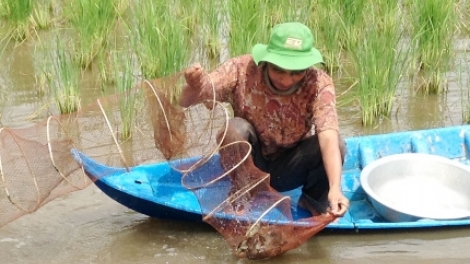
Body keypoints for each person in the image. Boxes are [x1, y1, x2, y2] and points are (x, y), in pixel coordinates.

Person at [179, 22, 349, 217]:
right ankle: (242, 194)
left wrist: (335, 188)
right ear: (267, 61)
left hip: (289, 168)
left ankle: (313, 201)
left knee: (338, 143)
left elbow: (328, 136)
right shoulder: (241, 69)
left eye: (296, 72)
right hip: (247, 163)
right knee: (235, 128)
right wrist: (194, 85)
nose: (286, 80)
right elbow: (186, 102)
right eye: (279, 70)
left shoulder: (318, 83)